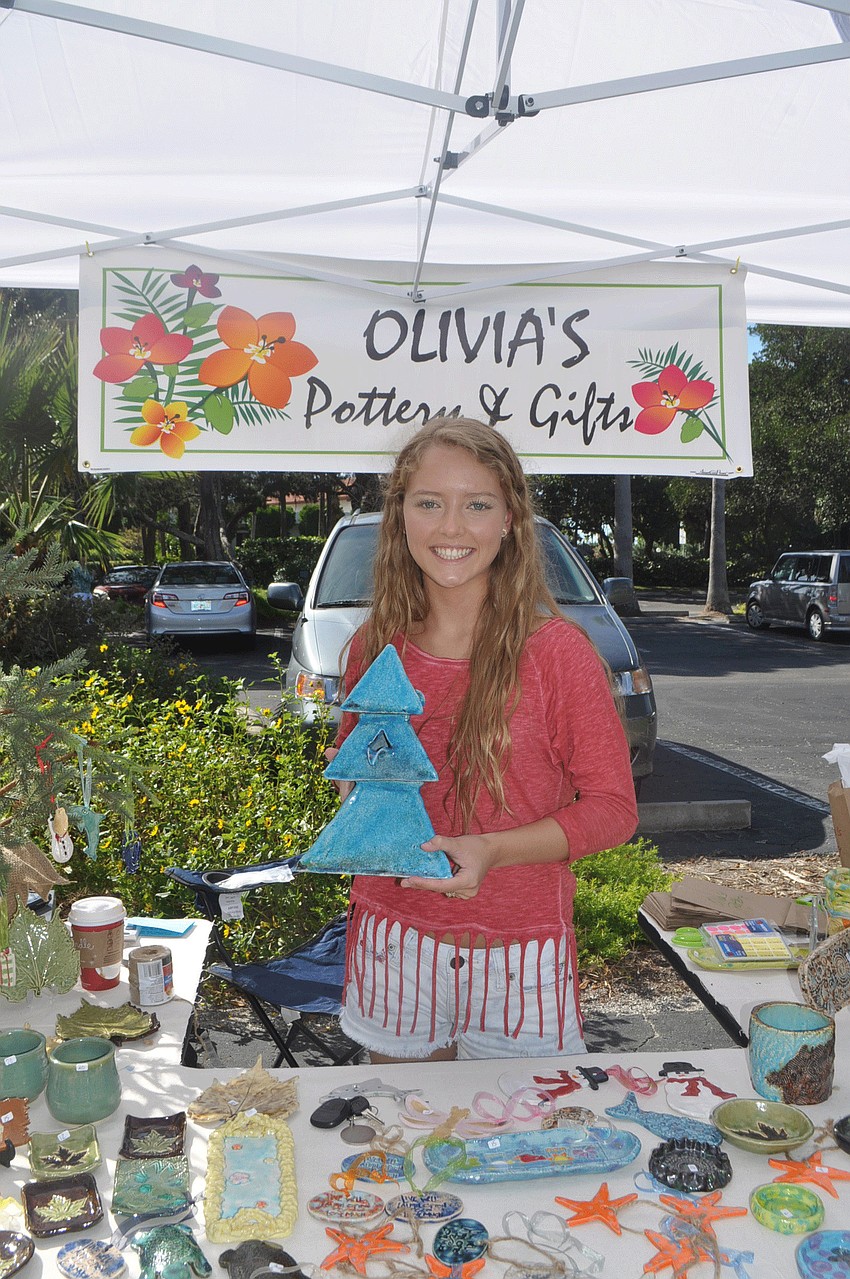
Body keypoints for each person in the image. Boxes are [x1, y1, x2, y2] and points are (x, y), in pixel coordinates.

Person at [330, 417, 638, 1062]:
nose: (450, 528)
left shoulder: (558, 654)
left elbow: (613, 809)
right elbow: (361, 779)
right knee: (405, 1135)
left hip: (520, 953)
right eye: (429, 503)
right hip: (394, 938)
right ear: (401, 517)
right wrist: (355, 794)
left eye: (476, 505)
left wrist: (493, 849)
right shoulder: (371, 650)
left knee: (518, 1145)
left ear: (508, 520)